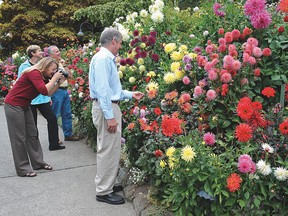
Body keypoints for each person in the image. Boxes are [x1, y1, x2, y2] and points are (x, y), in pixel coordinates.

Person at [89, 27, 144, 205]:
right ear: (113, 41)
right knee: (107, 149)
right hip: (107, 109)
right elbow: (104, 91)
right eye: (120, 43)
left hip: (108, 107)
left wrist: (129, 94)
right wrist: (110, 116)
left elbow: (111, 89)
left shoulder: (103, 58)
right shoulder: (104, 59)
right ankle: (104, 191)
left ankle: (108, 184)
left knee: (110, 148)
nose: (120, 46)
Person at [4, 57, 67, 177]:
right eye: (53, 70)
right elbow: (43, 90)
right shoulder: (34, 73)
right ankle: (23, 168)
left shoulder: (44, 77)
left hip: (25, 104)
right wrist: (54, 78)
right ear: (45, 66)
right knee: (19, 137)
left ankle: (38, 163)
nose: (54, 72)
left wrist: (58, 82)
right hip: (13, 105)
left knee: (32, 134)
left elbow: (48, 93)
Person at [18, 45, 65, 151]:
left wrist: (50, 97)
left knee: (52, 118)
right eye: (39, 51)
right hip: (32, 100)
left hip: (43, 98)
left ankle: (54, 144)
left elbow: (47, 89)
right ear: (32, 53)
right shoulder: (25, 67)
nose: (42, 53)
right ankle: (35, 146)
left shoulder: (43, 66)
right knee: (33, 124)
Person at [47, 45, 79, 141]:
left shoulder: (61, 63)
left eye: (58, 50)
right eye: (56, 52)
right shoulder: (50, 65)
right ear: (51, 55)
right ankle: (54, 138)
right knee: (55, 115)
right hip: (56, 91)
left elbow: (70, 76)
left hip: (64, 90)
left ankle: (68, 134)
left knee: (67, 113)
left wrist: (64, 65)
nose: (59, 53)